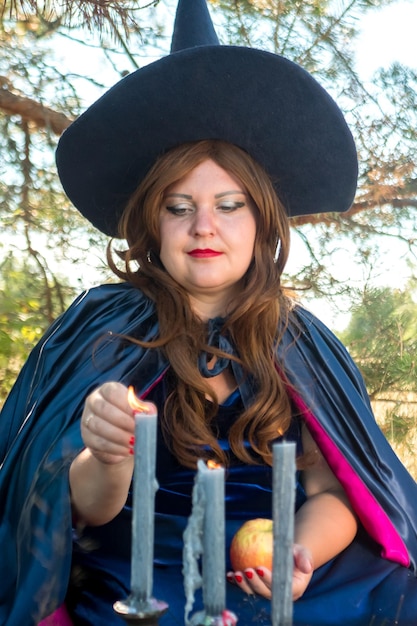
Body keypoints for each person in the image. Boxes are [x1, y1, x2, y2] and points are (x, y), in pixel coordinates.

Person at [1, 1, 417, 625]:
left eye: (229, 204)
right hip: (148, 575)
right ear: (151, 221)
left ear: (262, 222)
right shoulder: (103, 332)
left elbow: (334, 493)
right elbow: (82, 510)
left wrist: (298, 551)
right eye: (177, 207)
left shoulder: (302, 342)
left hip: (278, 574)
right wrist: (106, 454)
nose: (203, 227)